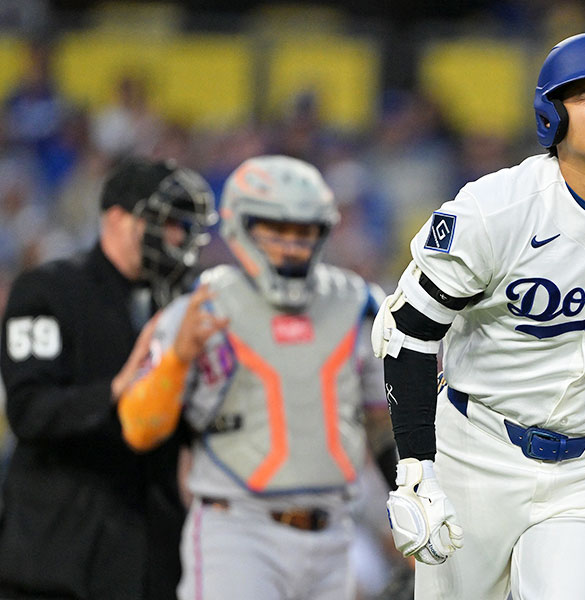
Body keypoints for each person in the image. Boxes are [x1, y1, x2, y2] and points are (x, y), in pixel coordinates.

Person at [372, 32, 585, 599]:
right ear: (550, 116)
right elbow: (408, 330)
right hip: (478, 449)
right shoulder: (495, 210)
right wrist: (416, 468)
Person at [116, 155, 398, 600]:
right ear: (240, 227)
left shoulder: (357, 305)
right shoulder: (199, 307)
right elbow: (138, 428)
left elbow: (381, 422)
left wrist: (412, 499)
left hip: (334, 532)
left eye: (303, 231)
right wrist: (178, 357)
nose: (290, 244)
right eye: (275, 229)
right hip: (239, 532)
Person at [0, 157, 217, 599]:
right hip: (57, 553)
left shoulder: (189, 306)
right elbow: (30, 411)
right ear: (117, 218)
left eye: (186, 224)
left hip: (152, 558)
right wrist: (118, 389)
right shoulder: (48, 289)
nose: (180, 237)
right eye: (167, 221)